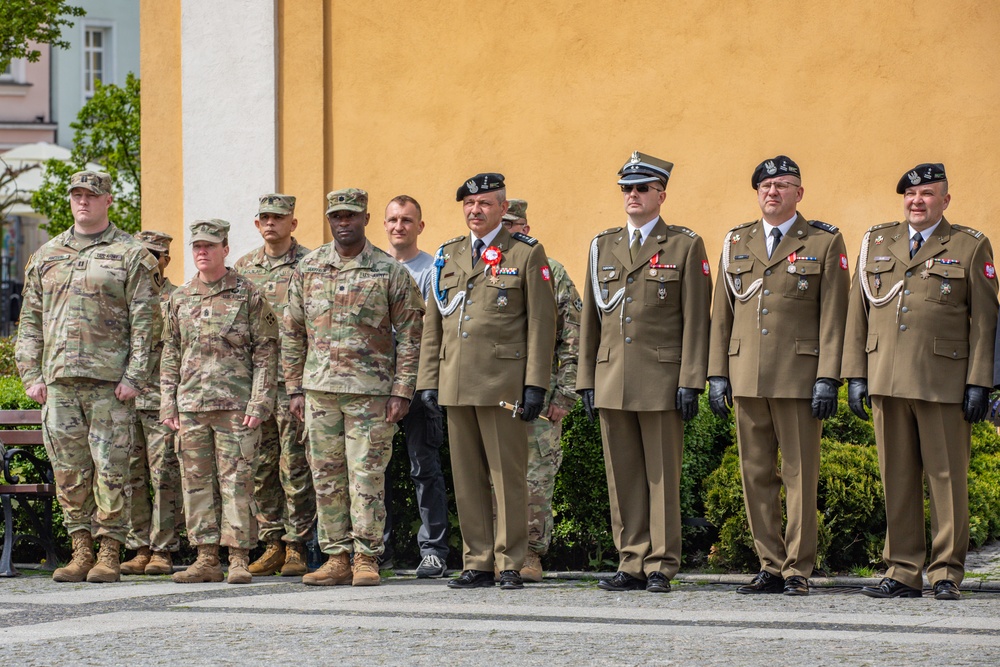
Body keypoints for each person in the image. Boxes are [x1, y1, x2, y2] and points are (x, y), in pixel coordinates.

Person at [843, 163, 998, 600]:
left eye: (927, 194)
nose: (917, 201)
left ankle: (946, 572)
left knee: (947, 478)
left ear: (945, 200)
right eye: (911, 195)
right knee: (897, 477)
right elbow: (858, 312)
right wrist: (855, 374)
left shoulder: (969, 246)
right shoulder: (877, 241)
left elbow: (986, 322)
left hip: (942, 383)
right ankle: (903, 570)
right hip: (886, 380)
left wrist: (979, 383)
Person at [707, 156, 850, 596]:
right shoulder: (736, 241)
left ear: (799, 194)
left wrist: (829, 376)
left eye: (784, 185)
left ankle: (797, 568)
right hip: (746, 374)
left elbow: (835, 316)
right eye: (766, 185)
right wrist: (717, 373)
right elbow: (721, 315)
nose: (773, 192)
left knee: (799, 475)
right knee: (755, 474)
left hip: (799, 377)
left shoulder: (824, 242)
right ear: (757, 193)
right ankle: (769, 564)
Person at [16, 170, 160, 583]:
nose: (83, 202)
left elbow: (147, 324)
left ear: (108, 201)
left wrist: (134, 377)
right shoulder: (46, 255)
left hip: (109, 384)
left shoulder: (132, 255)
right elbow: (30, 320)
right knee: (69, 470)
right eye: (77, 195)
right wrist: (30, 374)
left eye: (92, 195)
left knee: (113, 469)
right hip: (59, 383)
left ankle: (110, 552)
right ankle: (80, 551)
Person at [577, 152, 711, 593]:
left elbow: (696, 319)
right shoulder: (603, 246)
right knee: (624, 475)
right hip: (612, 376)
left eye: (641, 189)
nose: (632, 196)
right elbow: (590, 320)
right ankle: (630, 558)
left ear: (661, 195)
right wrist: (586, 379)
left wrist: (692, 379)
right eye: (626, 189)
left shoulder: (684, 245)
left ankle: (661, 563)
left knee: (661, 475)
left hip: (661, 378)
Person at [416, 173, 557, 591]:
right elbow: (434, 325)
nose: (475, 211)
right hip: (456, 382)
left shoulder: (525, 253)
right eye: (469, 205)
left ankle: (509, 560)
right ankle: (476, 560)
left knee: (507, 475)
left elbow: (541, 323)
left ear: (501, 207)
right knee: (467, 476)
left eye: (484, 204)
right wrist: (428, 380)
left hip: (502, 384)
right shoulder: (449, 253)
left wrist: (535, 384)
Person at [283, 188, 424, 587]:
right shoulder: (309, 268)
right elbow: (292, 332)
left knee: (366, 476)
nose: (343, 223)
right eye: (336, 216)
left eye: (350, 215)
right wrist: (295, 388)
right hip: (319, 390)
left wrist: (402, 391)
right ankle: (336, 556)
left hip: (371, 393)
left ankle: (366, 556)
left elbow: (412, 336)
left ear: (364, 217)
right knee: (325, 476)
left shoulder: (389, 270)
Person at [161, 219, 279, 585]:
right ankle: (206, 557)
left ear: (225, 249)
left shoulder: (248, 295)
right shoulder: (180, 298)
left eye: (209, 246)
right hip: (192, 407)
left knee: (238, 483)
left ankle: (239, 557)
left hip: (236, 408)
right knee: (195, 485)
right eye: (196, 245)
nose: (202, 251)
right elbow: (170, 354)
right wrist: (169, 403)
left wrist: (260, 403)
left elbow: (266, 353)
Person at [233, 194, 315, 577]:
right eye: (264, 217)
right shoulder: (244, 268)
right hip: (257, 385)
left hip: (295, 381)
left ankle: (297, 545)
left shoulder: (311, 264)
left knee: (294, 465)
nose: (271, 223)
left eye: (278, 218)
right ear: (257, 223)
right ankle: (272, 543)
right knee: (261, 467)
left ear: (292, 223)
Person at [500, 199, 580, 582]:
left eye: (512, 225)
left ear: (527, 229)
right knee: (493, 476)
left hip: (541, 397)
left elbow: (572, 335)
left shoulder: (553, 272)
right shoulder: (483, 270)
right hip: (494, 395)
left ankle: (530, 552)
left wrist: (564, 393)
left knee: (535, 479)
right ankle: (498, 552)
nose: (506, 232)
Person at [381, 194, 450, 578]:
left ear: (419, 227)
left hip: (421, 383)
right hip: (375, 384)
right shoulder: (373, 268)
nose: (399, 226)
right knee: (374, 471)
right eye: (393, 219)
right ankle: (380, 548)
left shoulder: (432, 270)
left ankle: (434, 549)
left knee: (424, 468)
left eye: (407, 220)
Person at [120, 230, 185, 575]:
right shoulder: (123, 296)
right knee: (131, 477)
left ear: (166, 260)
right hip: (124, 402)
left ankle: (162, 549)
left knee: (163, 478)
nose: (147, 261)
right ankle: (139, 546)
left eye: (154, 255)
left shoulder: (177, 298)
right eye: (141, 253)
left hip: (161, 402)